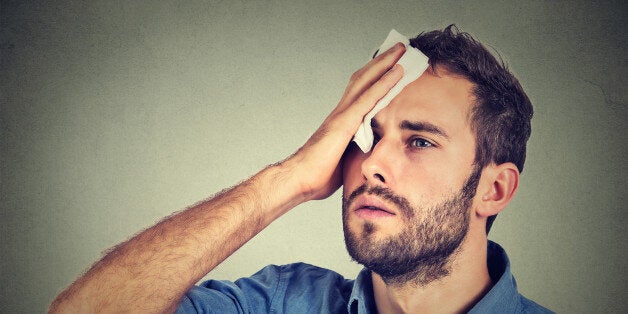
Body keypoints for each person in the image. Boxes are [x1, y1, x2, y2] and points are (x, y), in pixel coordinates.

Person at [49, 25, 552, 313]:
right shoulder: (280, 303)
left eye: (419, 141)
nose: (372, 164)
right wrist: (288, 179)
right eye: (365, 136)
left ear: (494, 188)